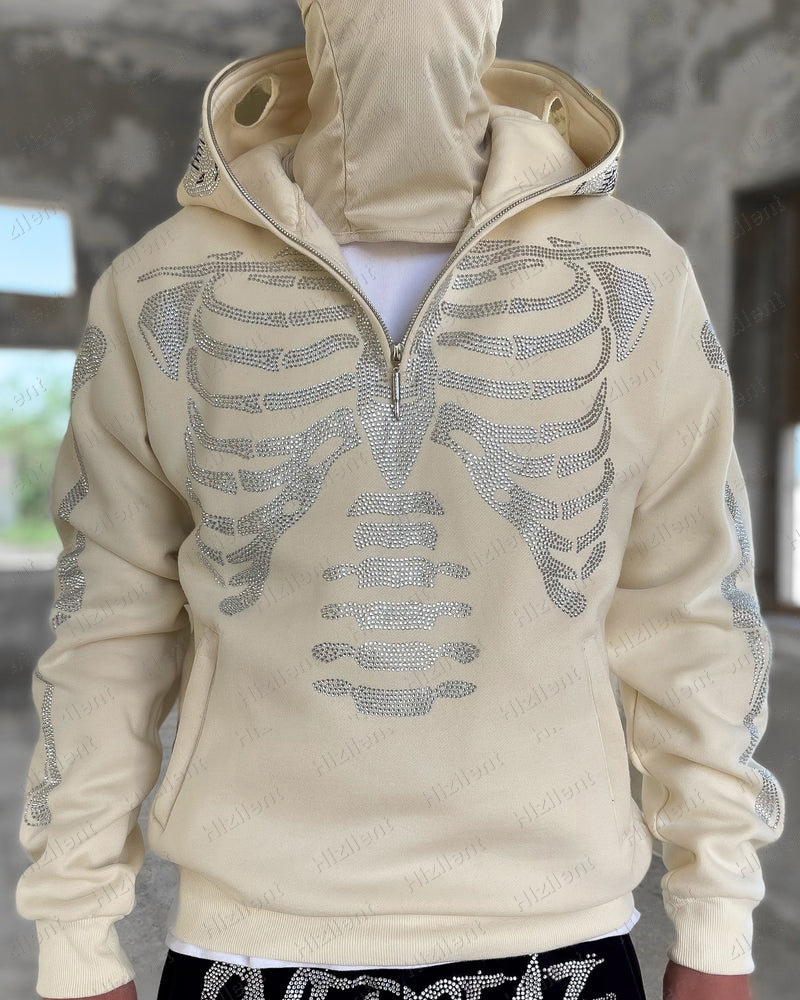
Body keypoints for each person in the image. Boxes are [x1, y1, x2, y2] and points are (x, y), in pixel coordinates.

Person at [16, 1, 785, 999]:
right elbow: (109, 627)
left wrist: (718, 917)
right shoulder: (163, 281)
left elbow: (688, 607)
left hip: (560, 928)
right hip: (254, 938)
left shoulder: (632, 271)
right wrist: (75, 937)